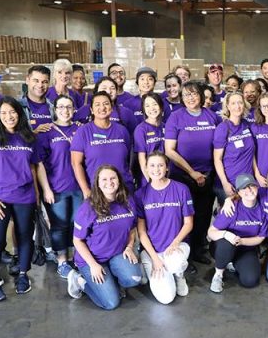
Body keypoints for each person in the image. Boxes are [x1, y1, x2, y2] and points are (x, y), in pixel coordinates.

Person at [0, 96, 39, 302]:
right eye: (3, 113)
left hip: (24, 196)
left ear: (19, 114)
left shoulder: (27, 136)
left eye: (12, 112)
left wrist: (36, 195)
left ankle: (22, 275)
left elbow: (33, 167)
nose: (8, 116)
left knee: (25, 236)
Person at [66, 165, 142, 310]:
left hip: (116, 254)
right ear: (98, 183)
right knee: (111, 303)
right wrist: (93, 265)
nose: (109, 182)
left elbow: (132, 228)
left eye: (113, 178)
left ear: (119, 180)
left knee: (134, 279)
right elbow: (77, 240)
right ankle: (80, 280)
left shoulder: (128, 201)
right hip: (92, 260)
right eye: (104, 179)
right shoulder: (88, 208)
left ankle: (111, 279)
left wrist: (129, 246)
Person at [164, 81, 221, 265]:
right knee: (184, 215)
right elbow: (169, 150)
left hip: (208, 175)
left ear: (202, 96)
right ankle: (182, 253)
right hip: (182, 176)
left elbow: (220, 146)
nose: (191, 98)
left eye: (194, 94)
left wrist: (207, 173)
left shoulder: (212, 117)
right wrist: (192, 172)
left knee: (204, 214)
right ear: (181, 97)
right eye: (186, 95)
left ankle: (199, 249)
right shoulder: (175, 117)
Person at [135, 152, 193, 304]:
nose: (156, 169)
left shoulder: (181, 189)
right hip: (153, 251)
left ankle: (178, 275)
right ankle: (150, 264)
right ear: (146, 168)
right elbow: (141, 232)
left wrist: (175, 243)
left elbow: (188, 223)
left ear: (167, 168)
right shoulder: (140, 195)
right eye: (152, 165)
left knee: (174, 264)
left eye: (160, 165)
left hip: (177, 246)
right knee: (166, 299)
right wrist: (155, 259)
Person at [35, 94, 81, 278]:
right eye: (61, 107)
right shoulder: (47, 132)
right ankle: (62, 259)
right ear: (55, 109)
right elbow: (39, 164)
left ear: (74, 109)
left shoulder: (81, 129)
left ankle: (76, 256)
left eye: (69, 107)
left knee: (77, 223)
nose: (65, 110)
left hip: (79, 187)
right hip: (57, 188)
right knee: (59, 225)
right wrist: (46, 189)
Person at [207, 174, 268, 293]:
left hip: (246, 248)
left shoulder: (262, 208)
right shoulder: (231, 208)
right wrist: (226, 234)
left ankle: (232, 262)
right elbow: (211, 232)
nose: (249, 190)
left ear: (257, 187)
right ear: (239, 192)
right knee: (227, 243)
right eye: (244, 188)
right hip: (224, 246)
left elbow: (261, 237)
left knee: (250, 280)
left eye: (251, 186)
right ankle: (218, 274)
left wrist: (242, 241)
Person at [71, 91, 134, 198]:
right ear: (91, 110)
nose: (102, 107)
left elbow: (128, 158)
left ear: (111, 107)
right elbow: (76, 163)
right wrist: (86, 190)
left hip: (124, 188)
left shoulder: (122, 130)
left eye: (106, 103)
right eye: (97, 104)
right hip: (98, 190)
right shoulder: (83, 132)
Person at [213, 92, 256, 204]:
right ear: (227, 106)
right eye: (233, 103)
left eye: (240, 102)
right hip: (230, 183)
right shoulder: (223, 128)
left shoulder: (246, 125)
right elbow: (217, 159)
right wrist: (225, 183)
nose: (237, 106)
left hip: (247, 182)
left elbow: (252, 154)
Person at [133, 92, 165, 186]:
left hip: (166, 173)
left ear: (161, 106)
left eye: (155, 104)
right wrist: (150, 180)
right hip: (149, 177)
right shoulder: (141, 129)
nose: (152, 108)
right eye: (147, 106)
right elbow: (141, 158)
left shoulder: (166, 126)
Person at [19, 65, 54, 133]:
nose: (40, 85)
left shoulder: (54, 107)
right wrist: (34, 133)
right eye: (36, 81)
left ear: (49, 83)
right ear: (27, 80)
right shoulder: (17, 107)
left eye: (44, 82)